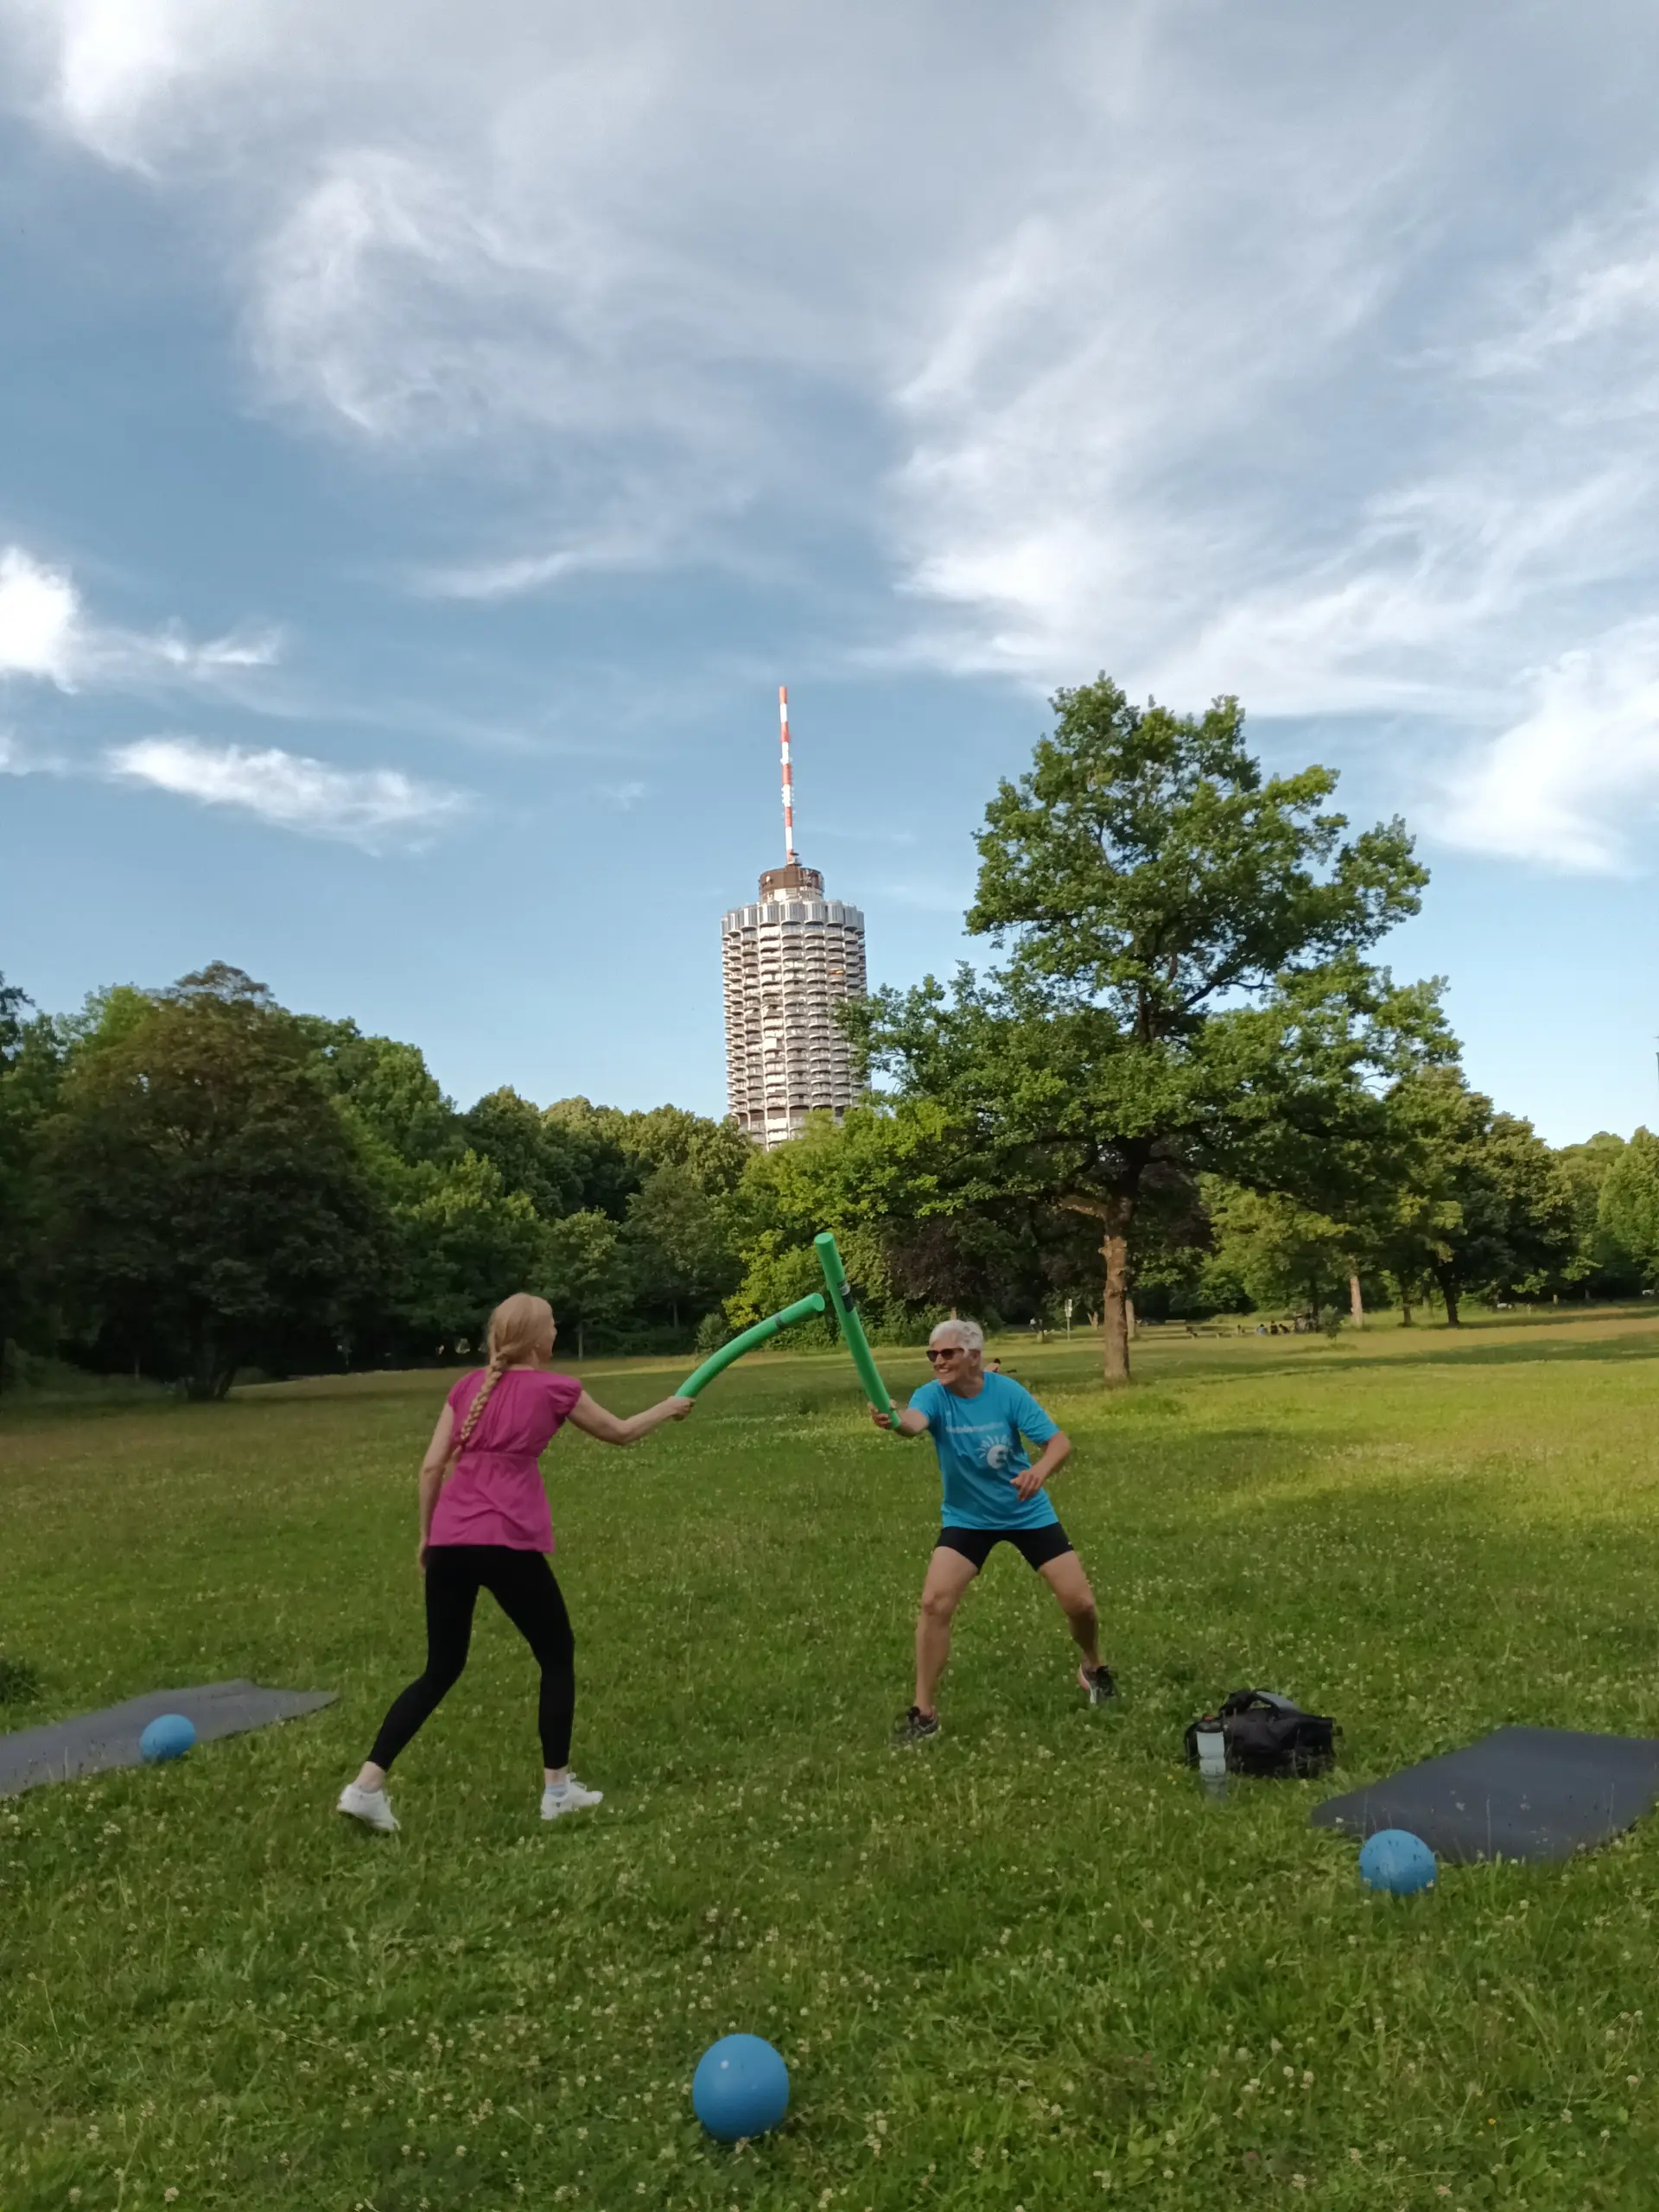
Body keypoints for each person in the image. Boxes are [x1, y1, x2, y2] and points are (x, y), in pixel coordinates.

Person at [337, 1293, 691, 1833]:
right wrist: (668, 1408)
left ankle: (367, 1785)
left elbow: (432, 1469)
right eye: (552, 1325)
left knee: (441, 1669)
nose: (556, 1331)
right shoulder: (557, 1388)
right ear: (536, 1340)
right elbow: (619, 1434)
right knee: (556, 1654)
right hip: (506, 1540)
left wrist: (427, 1538)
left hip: (451, 1542)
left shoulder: (465, 1388)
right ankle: (557, 1790)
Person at [873, 1318, 1116, 1743]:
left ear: (974, 1356)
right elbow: (913, 1424)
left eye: (947, 1353)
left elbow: (1059, 1443)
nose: (938, 1361)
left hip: (1026, 1511)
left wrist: (1039, 1472)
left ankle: (1093, 1667)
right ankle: (924, 1712)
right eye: (932, 1354)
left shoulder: (1007, 1393)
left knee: (1080, 1603)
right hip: (967, 1518)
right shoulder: (933, 1396)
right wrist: (893, 1419)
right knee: (934, 1603)